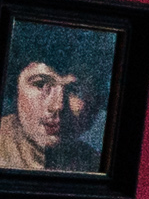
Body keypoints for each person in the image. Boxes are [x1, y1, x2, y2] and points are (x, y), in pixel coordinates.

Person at [2, 40, 101, 173]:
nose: (58, 106)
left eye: (74, 90)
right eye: (41, 84)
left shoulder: (92, 163)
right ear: (14, 89)